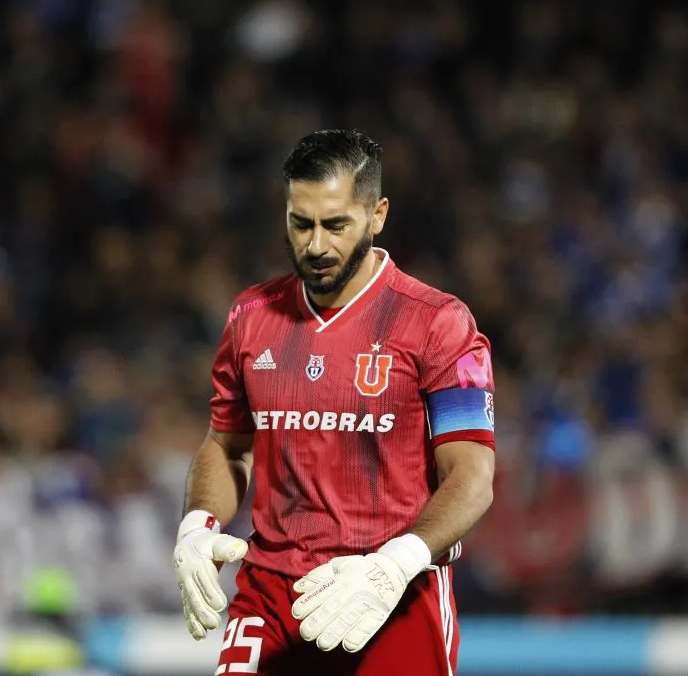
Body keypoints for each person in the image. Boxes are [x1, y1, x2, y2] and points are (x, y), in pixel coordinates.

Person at [173, 129, 496, 675]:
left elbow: (471, 475)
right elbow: (228, 446)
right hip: (271, 593)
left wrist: (395, 565)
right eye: (301, 224)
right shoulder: (251, 317)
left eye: (335, 224)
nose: (317, 245)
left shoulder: (438, 323)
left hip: (395, 596)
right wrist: (197, 525)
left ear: (378, 215)